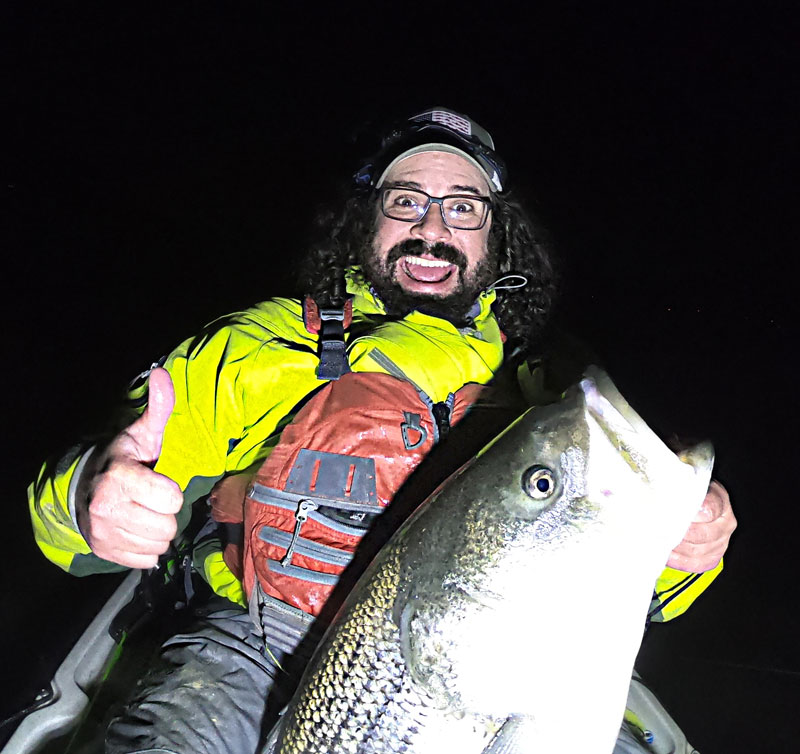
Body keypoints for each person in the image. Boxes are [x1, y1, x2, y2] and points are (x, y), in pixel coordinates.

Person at [28, 107, 736, 753]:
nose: (432, 230)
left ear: (500, 235)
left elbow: (620, 575)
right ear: (363, 222)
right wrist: (92, 496)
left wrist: (685, 551)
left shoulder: (548, 382)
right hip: (256, 642)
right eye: (406, 204)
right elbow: (71, 520)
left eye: (463, 208)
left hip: (504, 654)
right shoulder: (261, 347)